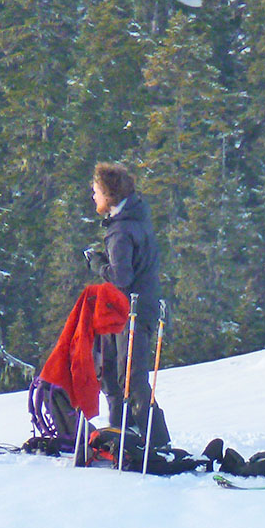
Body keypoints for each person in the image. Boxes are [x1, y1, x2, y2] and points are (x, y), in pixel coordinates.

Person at [85, 162, 171, 448]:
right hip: (141, 308)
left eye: (96, 191)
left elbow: (122, 277)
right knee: (119, 375)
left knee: (130, 379)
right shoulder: (135, 218)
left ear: (109, 195)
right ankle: (129, 437)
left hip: (132, 312)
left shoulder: (121, 230)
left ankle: (155, 444)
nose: (93, 196)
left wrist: (98, 264)